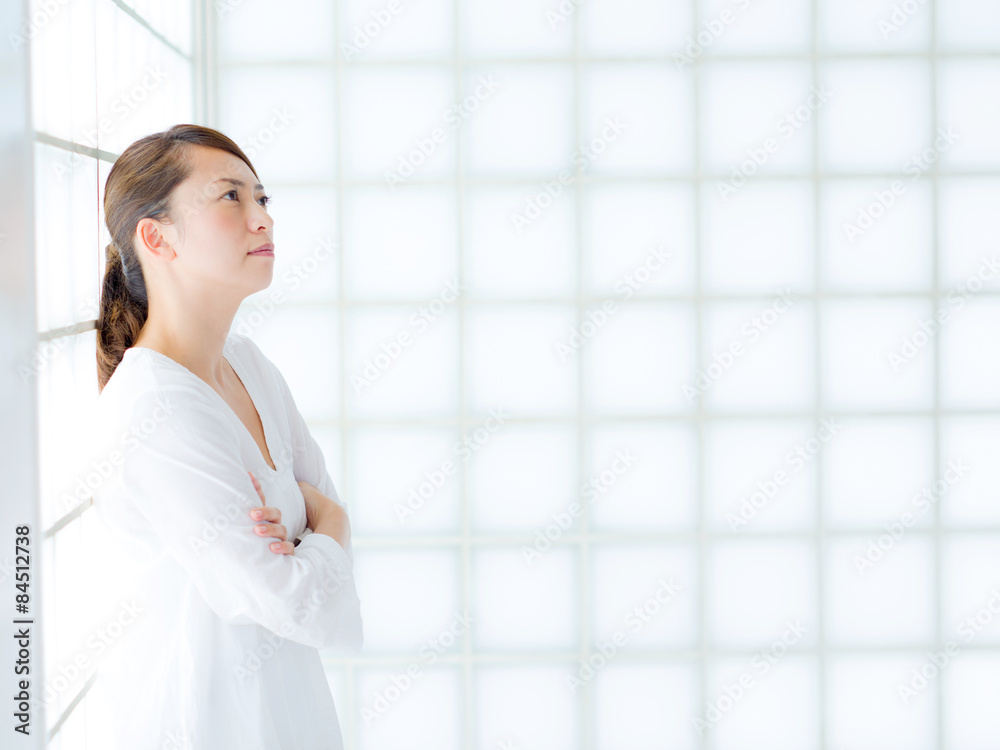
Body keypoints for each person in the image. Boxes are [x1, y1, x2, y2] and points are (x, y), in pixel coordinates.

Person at [89, 123, 362, 749]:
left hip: (285, 713)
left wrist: (319, 528)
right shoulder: (157, 406)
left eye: (261, 197)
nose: (263, 219)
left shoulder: (248, 364)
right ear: (157, 237)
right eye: (231, 196)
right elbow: (294, 600)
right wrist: (332, 523)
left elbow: (310, 563)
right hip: (202, 724)